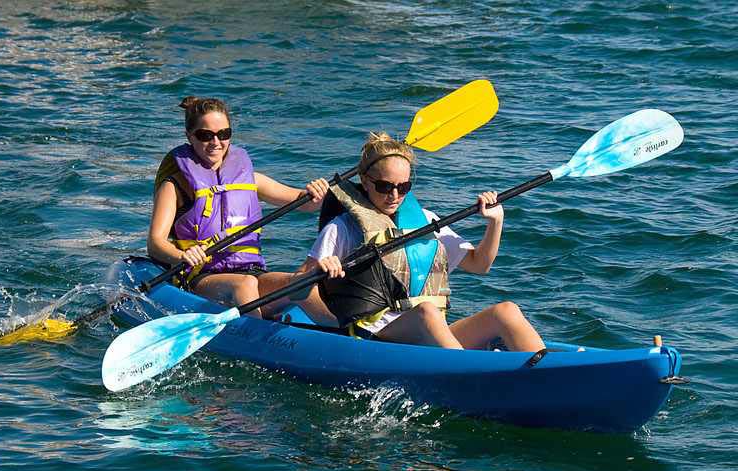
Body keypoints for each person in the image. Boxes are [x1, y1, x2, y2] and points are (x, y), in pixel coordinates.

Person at [295, 132, 545, 352]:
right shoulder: (343, 227)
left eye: (403, 187)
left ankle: (543, 372)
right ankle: (471, 373)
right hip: (377, 339)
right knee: (428, 312)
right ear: (364, 179)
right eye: (384, 186)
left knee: (506, 311)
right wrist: (321, 273)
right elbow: (299, 286)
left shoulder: (425, 220)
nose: (394, 196)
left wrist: (495, 222)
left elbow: (480, 265)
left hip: (428, 333)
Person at [148, 96, 334, 322]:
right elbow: (155, 244)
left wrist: (318, 193)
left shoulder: (249, 179)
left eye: (223, 134)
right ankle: (261, 338)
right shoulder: (176, 186)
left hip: (251, 270)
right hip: (203, 277)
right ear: (190, 136)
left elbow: (305, 203)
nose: (216, 142)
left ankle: (354, 335)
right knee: (245, 285)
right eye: (206, 135)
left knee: (298, 282)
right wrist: (182, 255)